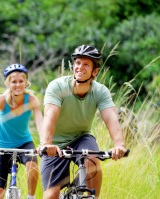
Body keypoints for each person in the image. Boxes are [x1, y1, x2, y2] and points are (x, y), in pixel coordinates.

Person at [39, 45, 127, 199]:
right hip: (54, 144)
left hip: (81, 138)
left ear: (94, 72)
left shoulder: (100, 91)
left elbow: (111, 118)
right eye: (78, 63)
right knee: (50, 196)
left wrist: (119, 145)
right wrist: (47, 143)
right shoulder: (58, 86)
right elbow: (50, 115)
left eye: (86, 64)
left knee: (93, 160)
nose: (80, 67)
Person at [0, 64, 43, 199]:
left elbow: (41, 124)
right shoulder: (0, 100)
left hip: (24, 143)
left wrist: (44, 143)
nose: (18, 85)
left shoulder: (32, 100)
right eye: (13, 82)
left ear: (26, 82)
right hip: (1, 145)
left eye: (21, 81)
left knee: (32, 166)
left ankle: (31, 197)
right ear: (8, 83)